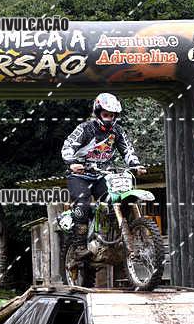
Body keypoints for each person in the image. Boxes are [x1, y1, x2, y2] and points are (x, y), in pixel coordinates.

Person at [61, 93, 146, 259]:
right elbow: (68, 146)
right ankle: (79, 246)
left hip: (103, 175)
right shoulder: (85, 128)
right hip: (79, 175)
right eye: (106, 114)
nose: (109, 118)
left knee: (116, 199)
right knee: (83, 203)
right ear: (98, 112)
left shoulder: (117, 131)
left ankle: (113, 238)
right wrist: (71, 162)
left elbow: (127, 150)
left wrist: (135, 165)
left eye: (112, 115)